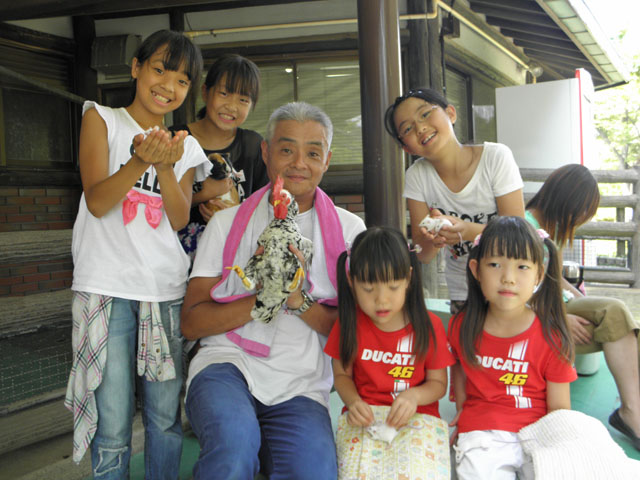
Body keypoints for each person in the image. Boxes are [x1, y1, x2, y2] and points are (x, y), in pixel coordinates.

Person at [181, 101, 366, 479]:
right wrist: (262, 298)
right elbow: (191, 322)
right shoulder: (226, 224)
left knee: (313, 472)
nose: (299, 163)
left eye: (313, 152)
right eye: (286, 149)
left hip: (301, 382)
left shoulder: (349, 234)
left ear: (327, 159)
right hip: (225, 363)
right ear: (265, 153)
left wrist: (297, 299)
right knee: (234, 447)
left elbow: (353, 334)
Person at [64, 30, 208, 479]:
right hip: (103, 288)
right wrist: (138, 161)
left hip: (163, 288)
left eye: (182, 80)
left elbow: (180, 219)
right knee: (113, 426)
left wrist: (165, 165)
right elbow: (98, 201)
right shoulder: (102, 120)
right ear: (136, 68)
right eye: (159, 69)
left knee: (165, 421)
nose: (168, 85)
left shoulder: (186, 146)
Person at [448, 216, 577, 479]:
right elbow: (460, 368)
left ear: (539, 274)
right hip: (482, 430)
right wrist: (463, 412)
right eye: (495, 264)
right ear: (476, 270)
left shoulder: (551, 335)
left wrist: (560, 452)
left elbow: (560, 409)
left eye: (522, 267)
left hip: (538, 432)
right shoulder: (463, 324)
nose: (508, 278)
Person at [324, 226, 455, 479]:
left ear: (408, 278)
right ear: (351, 281)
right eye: (369, 290)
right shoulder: (348, 323)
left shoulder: (429, 326)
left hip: (418, 419)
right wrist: (353, 402)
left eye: (393, 287)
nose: (382, 300)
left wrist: (414, 396)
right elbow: (341, 376)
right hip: (364, 418)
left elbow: (438, 384)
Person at [526, 163, 640, 450]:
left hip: (555, 309)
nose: (580, 220)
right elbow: (521, 290)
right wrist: (560, 317)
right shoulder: (528, 228)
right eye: (581, 213)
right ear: (566, 201)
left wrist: (575, 297)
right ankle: (631, 412)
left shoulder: (547, 228)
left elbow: (553, 279)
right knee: (614, 315)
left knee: (621, 321)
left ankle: (633, 407)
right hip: (538, 317)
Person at [384, 88, 525, 313]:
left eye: (425, 114)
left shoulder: (496, 158)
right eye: (408, 128)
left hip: (512, 287)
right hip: (464, 291)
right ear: (406, 147)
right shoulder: (417, 175)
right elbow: (423, 254)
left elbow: (520, 237)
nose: (420, 127)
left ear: (450, 113)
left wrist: (467, 231)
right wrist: (435, 238)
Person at [170, 53, 268, 258]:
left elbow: (267, 206)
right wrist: (202, 196)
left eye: (243, 99)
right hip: (176, 258)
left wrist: (236, 212)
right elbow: (154, 205)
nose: (232, 106)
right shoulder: (176, 139)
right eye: (224, 93)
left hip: (236, 257)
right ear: (205, 92)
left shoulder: (253, 146)